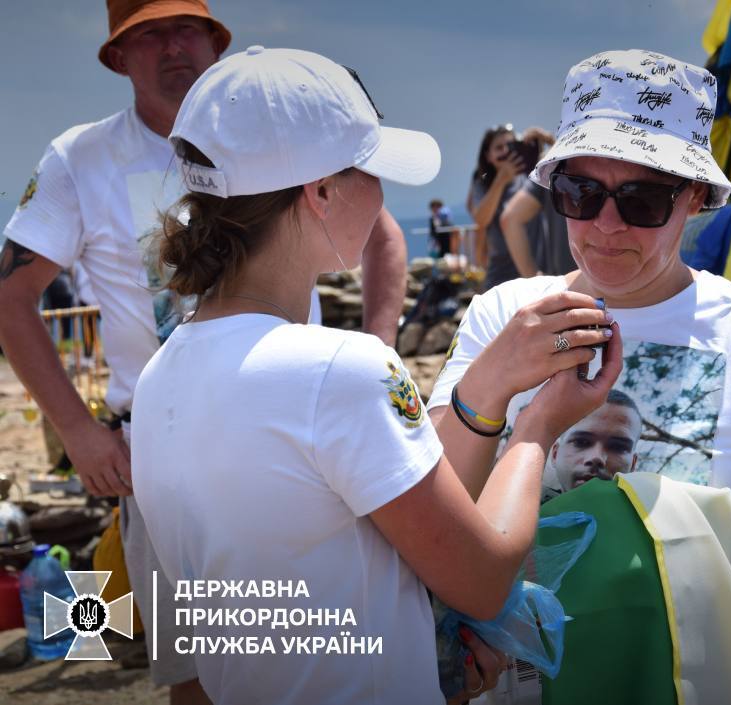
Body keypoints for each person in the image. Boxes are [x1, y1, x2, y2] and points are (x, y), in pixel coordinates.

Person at [129, 47, 622, 704]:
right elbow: (482, 579)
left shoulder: (162, 375)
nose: (384, 195)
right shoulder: (342, 368)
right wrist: (536, 425)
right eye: (371, 171)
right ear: (322, 192)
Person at [0, 2, 404, 699]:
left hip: (304, 432)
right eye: (148, 33)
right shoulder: (82, 157)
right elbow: (11, 296)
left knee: (340, 641)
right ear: (118, 56)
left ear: (215, 41)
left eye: (185, 27)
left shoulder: (274, 130)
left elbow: (382, 235)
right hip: (163, 453)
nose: (171, 46)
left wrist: (381, 350)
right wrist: (78, 432)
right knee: (200, 671)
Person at [432, 49, 731, 597]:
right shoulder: (502, 314)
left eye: (643, 199)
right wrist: (492, 384)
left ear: (696, 198)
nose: (606, 225)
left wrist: (646, 549)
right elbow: (437, 524)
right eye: (580, 194)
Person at [466, 125, 549, 289]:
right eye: (498, 148)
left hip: (535, 274)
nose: (506, 151)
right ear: (488, 156)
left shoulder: (532, 178)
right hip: (500, 278)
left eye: (511, 146)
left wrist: (549, 139)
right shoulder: (482, 184)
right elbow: (481, 220)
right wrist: (501, 180)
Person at [499, 128, 577, 278]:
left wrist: (533, 280)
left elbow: (509, 219)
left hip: (566, 285)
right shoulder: (627, 157)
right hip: (623, 285)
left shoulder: (552, 165)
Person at [549, 389, 642, 493]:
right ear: (555, 454)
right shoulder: (529, 504)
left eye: (617, 447)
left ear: (633, 465)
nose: (596, 457)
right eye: (581, 442)